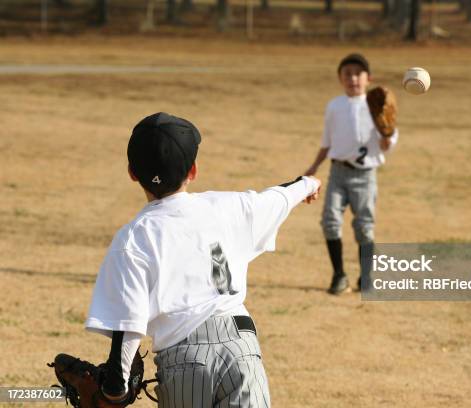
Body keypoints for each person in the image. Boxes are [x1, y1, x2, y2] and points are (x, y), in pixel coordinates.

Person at [84, 112, 321, 407]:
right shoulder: (227, 206)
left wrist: (115, 389)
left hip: (184, 361)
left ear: (132, 172)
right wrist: (308, 184)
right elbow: (279, 196)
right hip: (241, 348)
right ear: (193, 170)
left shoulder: (133, 238)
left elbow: (127, 324)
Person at [305, 53, 399, 295]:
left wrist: (387, 133)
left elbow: (387, 143)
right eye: (347, 74)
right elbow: (327, 142)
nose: (353, 78)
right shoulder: (334, 106)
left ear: (369, 78)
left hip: (366, 176)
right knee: (330, 222)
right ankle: (339, 275)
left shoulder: (377, 106)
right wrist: (314, 167)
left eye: (358, 73)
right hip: (338, 172)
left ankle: (366, 277)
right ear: (340, 78)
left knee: (364, 227)